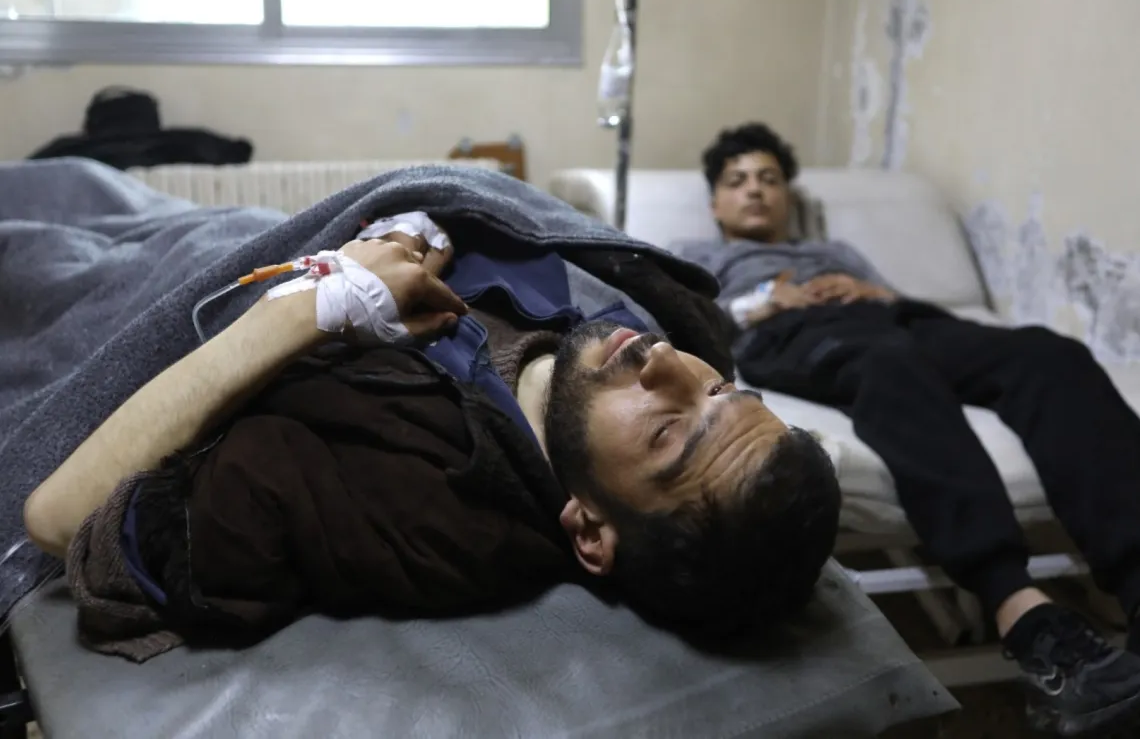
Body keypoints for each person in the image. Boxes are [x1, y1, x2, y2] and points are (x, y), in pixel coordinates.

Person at [23, 215, 841, 656]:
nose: (665, 360)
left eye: (668, 433)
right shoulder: (633, 336)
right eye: (719, 388)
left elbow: (59, 516)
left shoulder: (420, 496)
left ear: (591, 531)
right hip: (219, 224)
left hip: (129, 283)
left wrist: (325, 301)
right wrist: (429, 225)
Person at [675, 121, 1140, 736]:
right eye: (738, 182)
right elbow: (692, 320)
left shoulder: (837, 251)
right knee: (891, 368)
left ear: (788, 194)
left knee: (1048, 355)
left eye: (769, 178)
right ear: (716, 203)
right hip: (792, 334)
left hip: (889, 318)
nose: (755, 191)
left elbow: (894, 299)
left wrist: (871, 289)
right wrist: (763, 301)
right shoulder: (698, 256)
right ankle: (1023, 611)